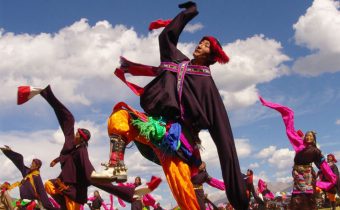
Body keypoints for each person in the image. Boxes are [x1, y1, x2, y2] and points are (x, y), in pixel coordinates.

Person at [114, 2, 248, 209]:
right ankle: (116, 164)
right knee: (121, 115)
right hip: (155, 126)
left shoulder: (208, 87)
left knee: (187, 200)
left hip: (179, 143)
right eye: (200, 42)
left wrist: (238, 196)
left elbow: (224, 136)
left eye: (205, 45)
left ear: (212, 56)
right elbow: (165, 38)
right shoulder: (179, 62)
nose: (199, 45)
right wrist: (188, 13)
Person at [17, 85, 161, 210]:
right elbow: (66, 121)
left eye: (77, 133)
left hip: (74, 191)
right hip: (63, 185)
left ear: (81, 137)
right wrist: (45, 93)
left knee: (93, 179)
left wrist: (126, 191)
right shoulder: (71, 145)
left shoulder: (81, 151)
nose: (74, 134)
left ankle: (132, 192)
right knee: (49, 184)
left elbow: (90, 176)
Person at [259, 96, 338, 210]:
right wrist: (284, 112)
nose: (308, 137)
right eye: (307, 136)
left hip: (307, 175)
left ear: (314, 138)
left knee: (307, 195)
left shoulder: (316, 151)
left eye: (311, 136)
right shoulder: (300, 144)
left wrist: (332, 177)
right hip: (297, 174)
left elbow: (323, 165)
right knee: (297, 196)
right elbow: (290, 129)